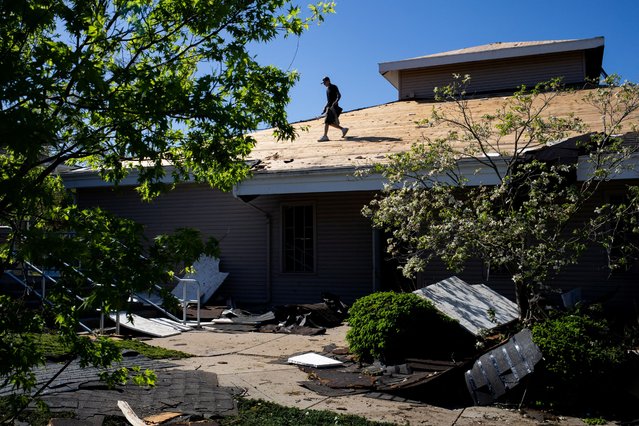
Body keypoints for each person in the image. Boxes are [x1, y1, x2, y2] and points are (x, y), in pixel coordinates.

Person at [318, 76, 348, 141]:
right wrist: (325, 107)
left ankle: (325, 136)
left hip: (333, 108)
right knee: (329, 122)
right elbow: (328, 101)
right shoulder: (327, 90)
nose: (324, 84)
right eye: (323, 83)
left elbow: (339, 95)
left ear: (328, 81)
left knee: (327, 121)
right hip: (329, 107)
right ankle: (343, 129)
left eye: (324, 82)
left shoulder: (334, 87)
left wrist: (336, 101)